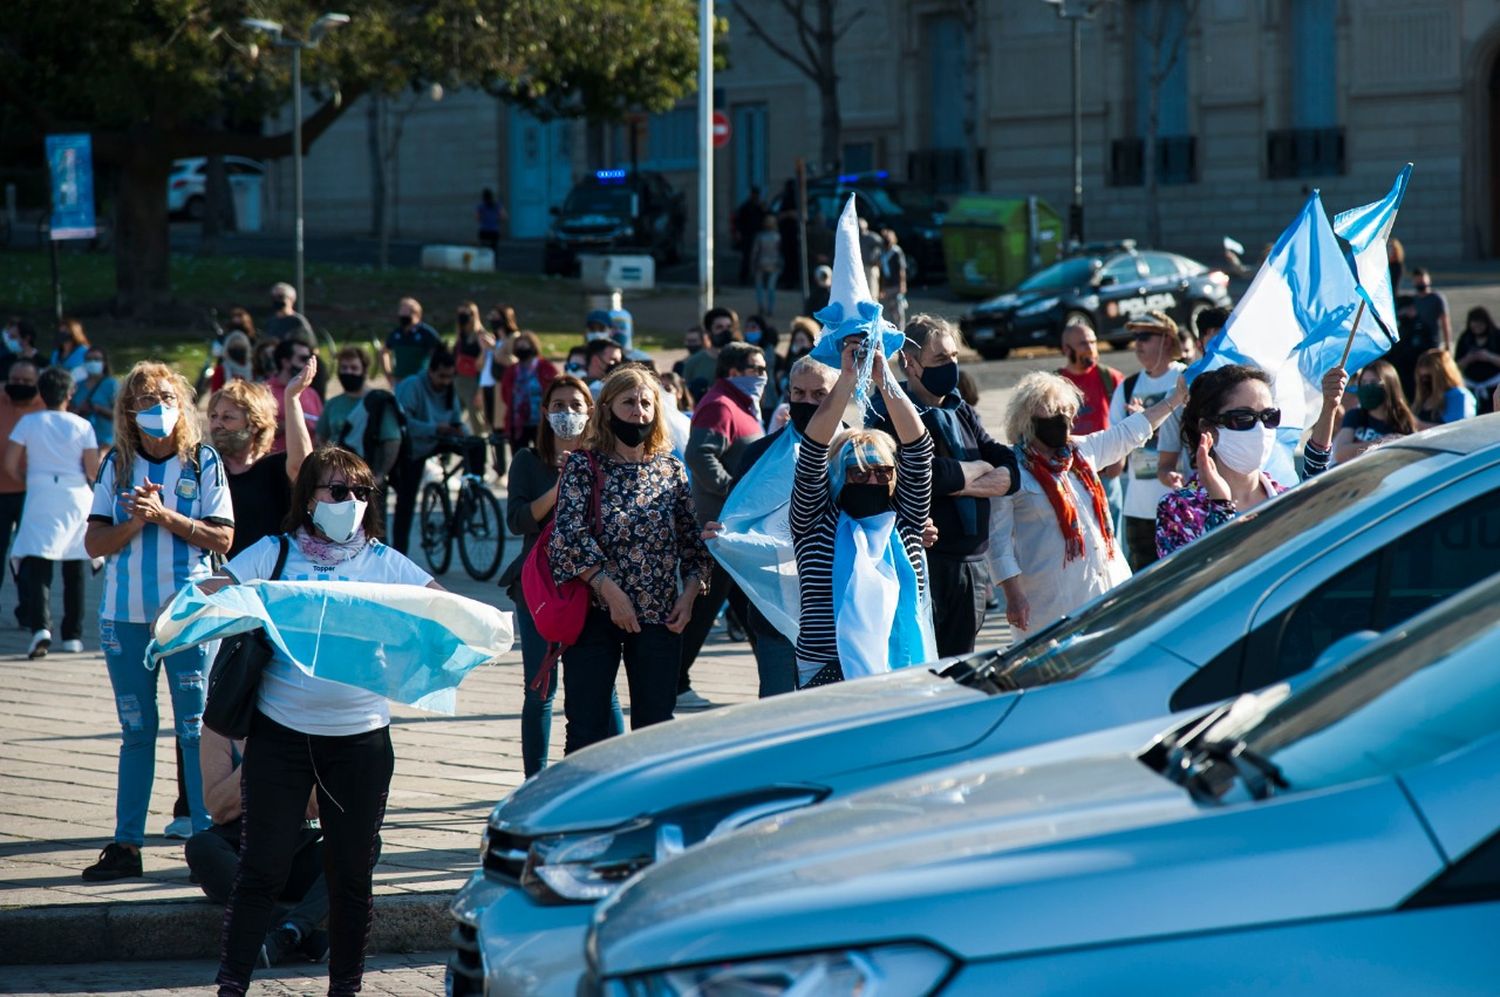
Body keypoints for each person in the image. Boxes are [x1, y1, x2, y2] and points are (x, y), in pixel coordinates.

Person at [207, 440, 441, 995]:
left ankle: (346, 988)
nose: (352, 501)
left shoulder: (382, 560)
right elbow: (210, 596)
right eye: (338, 490)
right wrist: (220, 599)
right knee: (259, 871)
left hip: (361, 740)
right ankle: (232, 985)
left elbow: (440, 606)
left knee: (352, 876)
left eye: (362, 492)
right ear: (309, 498)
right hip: (281, 735)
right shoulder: (274, 553)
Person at [81, 362, 235, 882]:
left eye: (166, 397)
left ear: (183, 403)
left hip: (188, 617)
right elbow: (94, 543)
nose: (158, 409)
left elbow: (222, 539)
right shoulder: (116, 466)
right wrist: (135, 522)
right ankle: (127, 845)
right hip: (123, 617)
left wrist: (166, 516)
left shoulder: (202, 463)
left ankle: (206, 841)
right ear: (129, 412)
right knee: (137, 730)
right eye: (146, 401)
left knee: (196, 730)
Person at [548, 366, 710, 752]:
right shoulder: (582, 466)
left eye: (645, 402)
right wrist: (610, 591)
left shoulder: (670, 469)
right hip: (594, 614)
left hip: (659, 617)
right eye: (628, 402)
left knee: (656, 730)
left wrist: (688, 596)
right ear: (607, 410)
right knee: (587, 729)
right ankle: (583, 810)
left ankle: (648, 807)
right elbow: (567, 537)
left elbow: (693, 545)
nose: (638, 411)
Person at [993, 370, 1184, 642]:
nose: (1062, 420)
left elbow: (1130, 432)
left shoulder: (1083, 451)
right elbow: (997, 543)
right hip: (1051, 604)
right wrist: (1013, 596)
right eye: (1052, 412)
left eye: (1066, 411)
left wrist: (1175, 398)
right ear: (1027, 420)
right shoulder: (1011, 471)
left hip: (1108, 589)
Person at [870, 315, 1017, 658]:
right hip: (927, 562)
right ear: (910, 364)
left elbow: (1009, 470)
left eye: (953, 358)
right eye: (940, 360)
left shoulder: (959, 407)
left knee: (961, 663)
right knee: (923, 662)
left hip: (973, 565)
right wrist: (976, 469)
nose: (950, 367)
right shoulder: (887, 412)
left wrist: (960, 480)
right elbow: (918, 472)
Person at [498, 375, 623, 776]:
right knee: (540, 688)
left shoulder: (603, 458)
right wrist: (561, 486)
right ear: (544, 412)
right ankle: (534, 781)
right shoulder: (528, 461)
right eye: (558, 405)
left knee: (604, 689)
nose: (567, 413)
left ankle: (614, 772)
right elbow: (518, 520)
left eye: (575, 404)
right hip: (539, 586)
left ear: (591, 411)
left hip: (591, 585)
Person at [793, 338, 933, 687]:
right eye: (858, 472)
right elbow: (812, 453)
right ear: (840, 476)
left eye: (882, 472)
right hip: (827, 668)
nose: (872, 479)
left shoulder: (906, 521)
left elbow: (919, 449)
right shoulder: (815, 521)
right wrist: (847, 378)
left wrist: (883, 376)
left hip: (900, 666)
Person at [724, 354, 841, 697]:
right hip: (774, 612)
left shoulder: (859, 451)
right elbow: (739, 522)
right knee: (777, 711)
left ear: (839, 394)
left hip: (839, 612)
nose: (806, 402)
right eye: (798, 393)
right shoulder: (759, 455)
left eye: (819, 394)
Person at [186, 727, 333, 968]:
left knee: (362, 845)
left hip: (292, 849)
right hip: (240, 852)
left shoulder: (304, 727)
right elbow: (218, 808)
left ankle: (289, 930)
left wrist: (295, 756)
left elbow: (314, 809)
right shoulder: (219, 730)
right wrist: (260, 756)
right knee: (201, 847)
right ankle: (296, 931)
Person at [678, 343, 768, 709]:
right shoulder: (719, 404)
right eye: (755, 368)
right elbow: (699, 454)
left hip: (737, 534)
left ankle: (779, 682)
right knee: (701, 611)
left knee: (754, 612)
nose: (762, 375)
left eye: (764, 368)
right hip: (718, 532)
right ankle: (673, 684)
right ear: (732, 371)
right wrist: (736, 492)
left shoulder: (742, 404)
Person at [6, 366, 98, 658]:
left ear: (41, 394)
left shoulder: (28, 423)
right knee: (74, 566)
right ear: (70, 394)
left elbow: (9, 463)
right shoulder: (83, 426)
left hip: (41, 493)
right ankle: (73, 635)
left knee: (38, 563)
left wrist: (28, 481)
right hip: (75, 495)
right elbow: (93, 470)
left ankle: (40, 628)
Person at [1156, 365, 1286, 557]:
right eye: (1243, 418)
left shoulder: (1289, 499)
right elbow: (1200, 582)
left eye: (1269, 417)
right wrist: (1221, 507)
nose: (1260, 430)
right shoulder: (1179, 508)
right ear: (1208, 428)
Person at [1107, 312, 1188, 571]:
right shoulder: (1128, 386)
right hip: (1138, 509)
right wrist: (1134, 426)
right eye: (1135, 337)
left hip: (1180, 503)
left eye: (1145, 336)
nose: (1137, 343)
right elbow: (1113, 447)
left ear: (1166, 339)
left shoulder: (1186, 378)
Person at [208, 380, 296, 558]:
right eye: (213, 416)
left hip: (270, 576)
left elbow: (301, 466)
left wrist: (292, 397)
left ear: (254, 424)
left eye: (227, 417)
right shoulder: (207, 469)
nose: (217, 424)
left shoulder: (277, 467)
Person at [391, 347, 464, 554]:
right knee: (406, 499)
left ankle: (470, 499)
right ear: (430, 371)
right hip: (413, 447)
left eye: (450, 377)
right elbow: (403, 423)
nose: (446, 382)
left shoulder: (449, 389)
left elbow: (457, 420)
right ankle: (399, 551)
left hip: (440, 438)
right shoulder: (413, 386)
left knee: (475, 446)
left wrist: (463, 433)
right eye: (441, 376)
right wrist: (434, 428)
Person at [316, 346, 403, 495]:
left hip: (368, 478)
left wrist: (380, 475)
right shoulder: (333, 404)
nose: (348, 372)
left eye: (354, 368)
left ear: (364, 371)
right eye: (344, 368)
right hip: (337, 478)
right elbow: (321, 437)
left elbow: (392, 440)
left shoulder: (378, 402)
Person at [0, 360, 43, 619]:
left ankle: (28, 609)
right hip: (1, 492)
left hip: (32, 493)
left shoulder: (45, 406)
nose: (20, 386)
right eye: (15, 380)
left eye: (27, 382)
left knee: (28, 556)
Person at [1332, 359, 1416, 464]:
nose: (1367, 388)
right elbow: (1341, 454)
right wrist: (1380, 443)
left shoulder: (1403, 421)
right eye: (1363, 383)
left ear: (1389, 386)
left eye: (1373, 383)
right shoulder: (1355, 416)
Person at [1393, 267, 1451, 398]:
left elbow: (1445, 322)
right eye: (1417, 281)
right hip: (1416, 344)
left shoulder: (1436, 298)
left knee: (1435, 373)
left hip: (1432, 342)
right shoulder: (1412, 300)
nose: (1421, 284)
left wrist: (1447, 345)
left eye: (1422, 281)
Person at [499, 331, 556, 454]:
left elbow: (555, 390)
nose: (521, 349)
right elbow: (505, 394)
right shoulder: (512, 370)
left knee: (544, 456)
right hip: (518, 421)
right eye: (519, 346)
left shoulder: (546, 367)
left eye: (525, 345)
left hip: (541, 422)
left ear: (533, 346)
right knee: (519, 457)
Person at [266, 339, 322, 454]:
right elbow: (253, 431)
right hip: (274, 464)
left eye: (309, 359)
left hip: (308, 465)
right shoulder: (264, 391)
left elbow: (321, 431)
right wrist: (291, 424)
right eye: (302, 359)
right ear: (285, 362)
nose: (307, 364)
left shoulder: (312, 393)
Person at [452, 301, 494, 435]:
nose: (463, 316)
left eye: (466, 313)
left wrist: (480, 391)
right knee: (453, 416)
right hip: (458, 380)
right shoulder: (461, 336)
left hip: (474, 382)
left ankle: (479, 449)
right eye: (460, 313)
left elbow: (486, 363)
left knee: (476, 419)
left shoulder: (481, 335)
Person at [71, 345, 118, 461]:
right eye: (89, 359)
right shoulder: (77, 386)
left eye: (97, 359)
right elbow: (69, 412)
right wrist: (80, 410)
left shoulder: (112, 385)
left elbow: (120, 415)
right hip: (80, 441)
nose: (93, 362)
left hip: (105, 441)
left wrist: (99, 409)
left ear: (104, 363)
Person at [682, 307, 740, 401]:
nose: (725, 331)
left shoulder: (742, 359)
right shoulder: (693, 362)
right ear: (709, 332)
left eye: (729, 327)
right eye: (719, 327)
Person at [382, 297, 442, 388]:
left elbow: (440, 354)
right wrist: (388, 373)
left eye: (407, 312)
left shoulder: (427, 333)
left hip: (421, 380)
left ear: (417, 314)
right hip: (400, 379)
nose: (403, 315)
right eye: (402, 311)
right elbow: (384, 351)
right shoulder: (396, 334)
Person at [1412, 348, 1476, 428]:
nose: (1425, 383)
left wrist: (1420, 425)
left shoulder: (1458, 395)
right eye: (1422, 378)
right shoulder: (1423, 399)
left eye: (1429, 377)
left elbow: (1458, 429)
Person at [1455, 306, 1500, 414]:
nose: (1477, 327)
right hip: (1471, 387)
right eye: (1474, 324)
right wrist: (1469, 359)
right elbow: (1455, 365)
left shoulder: (1497, 336)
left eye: (1480, 324)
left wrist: (1489, 357)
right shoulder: (1465, 338)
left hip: (1494, 386)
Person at [262, 283, 318, 349]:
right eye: (274, 297)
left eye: (280, 297)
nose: (276, 300)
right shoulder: (271, 322)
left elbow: (311, 346)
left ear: (291, 299)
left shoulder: (298, 321)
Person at [750, 215, 784, 316]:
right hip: (774, 263)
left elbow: (754, 252)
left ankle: (762, 306)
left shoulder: (760, 236)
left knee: (760, 287)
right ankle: (770, 308)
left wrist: (752, 264)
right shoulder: (777, 236)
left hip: (761, 263)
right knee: (770, 287)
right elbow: (780, 251)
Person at [734, 187, 766, 285]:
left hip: (758, 234)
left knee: (758, 256)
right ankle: (744, 277)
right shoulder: (745, 207)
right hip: (747, 234)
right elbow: (739, 221)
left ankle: (756, 276)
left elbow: (764, 217)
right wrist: (739, 232)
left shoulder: (759, 207)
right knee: (747, 257)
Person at [879, 228, 908, 328]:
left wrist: (902, 284)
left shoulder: (896, 252)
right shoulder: (882, 253)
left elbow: (901, 269)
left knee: (898, 308)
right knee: (890, 308)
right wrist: (881, 288)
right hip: (887, 285)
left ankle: (901, 328)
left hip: (896, 284)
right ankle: (893, 328)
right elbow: (881, 272)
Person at [858, 217, 884, 299]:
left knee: (872, 291)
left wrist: (878, 259)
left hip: (870, 267)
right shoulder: (856, 237)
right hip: (860, 267)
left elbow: (883, 247)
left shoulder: (872, 237)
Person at [476, 188, 504, 252]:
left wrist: (484, 218)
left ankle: (485, 261)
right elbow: (503, 216)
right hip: (494, 231)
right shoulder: (497, 205)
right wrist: (496, 219)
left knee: (484, 249)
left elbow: (477, 217)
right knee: (494, 249)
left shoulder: (481, 206)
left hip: (484, 230)